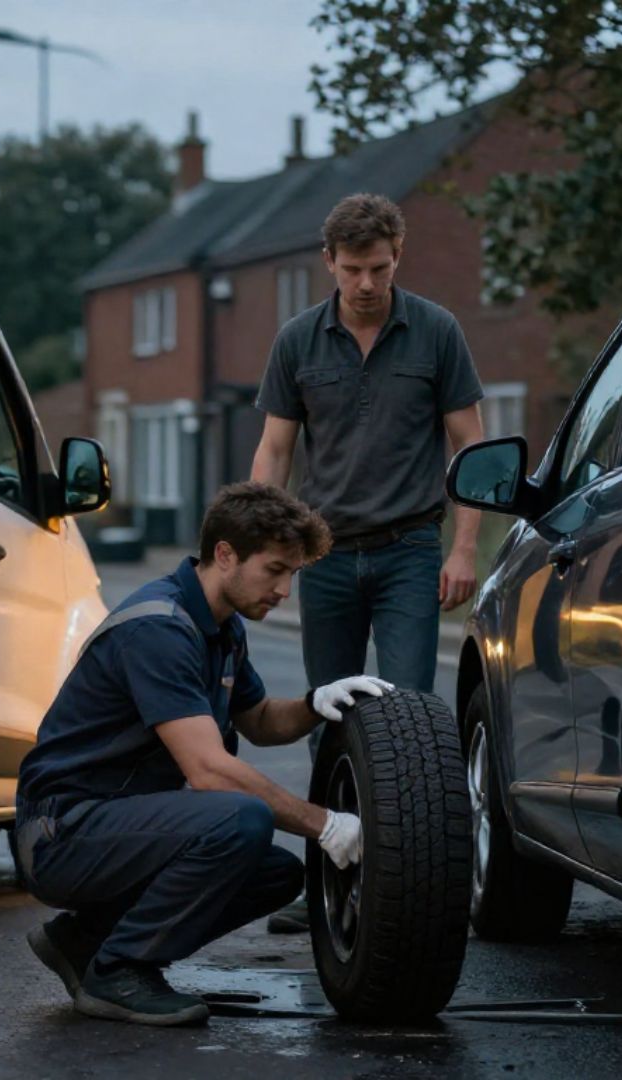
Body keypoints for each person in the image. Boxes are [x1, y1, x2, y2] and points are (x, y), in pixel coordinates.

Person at [12, 482, 392, 1026]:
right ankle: (119, 970)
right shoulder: (160, 628)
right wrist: (326, 825)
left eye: (293, 574)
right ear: (225, 554)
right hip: (62, 831)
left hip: (110, 822)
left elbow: (259, 720)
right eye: (275, 570)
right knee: (238, 819)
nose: (285, 589)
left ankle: (83, 941)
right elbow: (210, 771)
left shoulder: (219, 626)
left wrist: (316, 702)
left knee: (272, 873)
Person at [248, 194, 486, 933]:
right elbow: (276, 451)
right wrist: (264, 550)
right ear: (329, 264)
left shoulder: (437, 334)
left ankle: (404, 883)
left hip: (411, 550)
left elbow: (470, 450)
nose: (365, 283)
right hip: (324, 554)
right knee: (326, 712)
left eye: (378, 268)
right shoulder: (297, 342)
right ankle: (330, 874)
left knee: (407, 716)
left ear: (398, 256)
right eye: (352, 269)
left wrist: (466, 547)